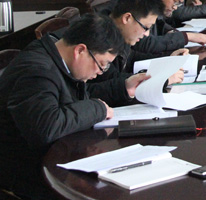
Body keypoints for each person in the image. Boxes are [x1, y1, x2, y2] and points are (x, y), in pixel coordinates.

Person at [0, 14, 134, 199]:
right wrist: (98, 109)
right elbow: (46, 127)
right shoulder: (36, 71)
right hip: (27, 172)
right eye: (102, 65)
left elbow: (73, 99)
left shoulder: (58, 57)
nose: (100, 72)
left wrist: (122, 89)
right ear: (80, 50)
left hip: (53, 157)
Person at [88, 0, 185, 102]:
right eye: (146, 27)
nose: (146, 34)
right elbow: (112, 78)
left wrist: (167, 59)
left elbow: (130, 57)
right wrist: (161, 79)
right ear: (127, 18)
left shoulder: (118, 32)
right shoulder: (99, 37)